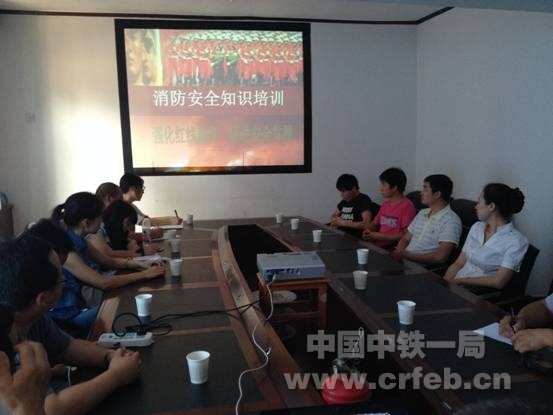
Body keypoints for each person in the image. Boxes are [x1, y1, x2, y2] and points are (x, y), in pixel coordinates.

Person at [0, 235, 141, 415]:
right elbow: (50, 408)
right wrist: (115, 376)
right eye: (62, 279)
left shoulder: (32, 316)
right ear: (42, 299)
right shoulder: (6, 345)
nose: (64, 280)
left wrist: (109, 356)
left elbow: (66, 347)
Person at [50, 192, 164, 331]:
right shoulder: (67, 251)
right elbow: (103, 283)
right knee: (125, 307)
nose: (102, 221)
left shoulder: (79, 240)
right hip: (69, 319)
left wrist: (138, 263)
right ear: (86, 222)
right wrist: (144, 275)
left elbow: (108, 261)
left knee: (127, 302)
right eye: (100, 217)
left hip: (81, 307)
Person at [444, 183, 528, 289]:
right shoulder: (477, 227)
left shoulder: (516, 241)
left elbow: (498, 281)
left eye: (479, 202)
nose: (475, 206)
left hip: (476, 293)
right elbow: (459, 263)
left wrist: (460, 281)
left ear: (491, 206)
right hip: (456, 285)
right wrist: (444, 284)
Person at [391, 174, 461, 265]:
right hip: (404, 260)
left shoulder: (451, 221)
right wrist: (399, 251)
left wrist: (407, 255)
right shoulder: (422, 212)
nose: (421, 193)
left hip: (421, 267)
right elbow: (405, 238)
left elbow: (440, 257)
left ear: (437, 194)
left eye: (425, 189)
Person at [362, 167, 416, 248]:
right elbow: (375, 223)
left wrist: (381, 236)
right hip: (377, 244)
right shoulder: (385, 204)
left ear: (394, 187)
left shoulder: (407, 206)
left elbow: (405, 234)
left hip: (392, 247)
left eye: (384, 185)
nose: (380, 188)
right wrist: (368, 230)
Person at [330, 174, 375, 238]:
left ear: (354, 189)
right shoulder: (345, 200)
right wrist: (334, 220)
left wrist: (344, 223)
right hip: (341, 234)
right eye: (340, 191)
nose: (341, 195)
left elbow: (366, 224)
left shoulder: (364, 200)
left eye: (343, 191)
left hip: (354, 238)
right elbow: (334, 215)